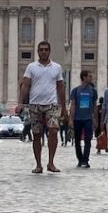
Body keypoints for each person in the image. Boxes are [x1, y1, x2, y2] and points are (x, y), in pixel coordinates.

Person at [16, 40, 65, 174]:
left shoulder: (57, 67)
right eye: (41, 49)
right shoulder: (31, 67)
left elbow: (61, 88)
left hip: (52, 104)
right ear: (38, 52)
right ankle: (38, 164)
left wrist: (64, 107)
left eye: (46, 49)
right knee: (36, 135)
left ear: (49, 51)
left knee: (53, 131)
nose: (43, 52)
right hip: (35, 104)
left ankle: (51, 162)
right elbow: (25, 85)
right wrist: (20, 102)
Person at [69, 70, 98, 168]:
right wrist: (70, 119)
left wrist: (95, 119)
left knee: (88, 140)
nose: (91, 78)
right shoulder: (76, 90)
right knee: (77, 140)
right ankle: (80, 159)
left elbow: (94, 106)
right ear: (84, 77)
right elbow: (73, 105)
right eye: (89, 76)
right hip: (77, 118)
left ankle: (86, 159)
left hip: (88, 118)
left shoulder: (93, 91)